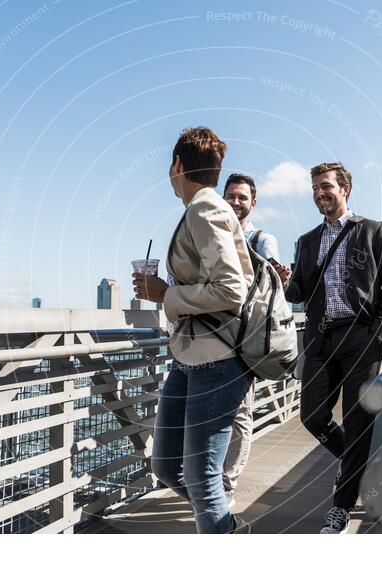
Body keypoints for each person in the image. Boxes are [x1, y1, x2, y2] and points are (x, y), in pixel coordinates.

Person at [132, 127, 254, 534]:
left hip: (217, 361)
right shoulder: (199, 210)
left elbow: (231, 288)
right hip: (189, 359)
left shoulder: (206, 210)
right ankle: (225, 525)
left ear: (178, 166)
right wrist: (168, 296)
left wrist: (167, 294)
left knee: (202, 477)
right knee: (166, 465)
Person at [279, 162, 382, 534]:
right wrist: (285, 279)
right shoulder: (307, 241)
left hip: (360, 338)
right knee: (313, 417)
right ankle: (362, 468)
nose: (320, 193)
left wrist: (378, 334)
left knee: (358, 422)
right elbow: (299, 292)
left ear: (344, 189)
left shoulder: (372, 230)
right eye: (315, 188)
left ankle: (341, 507)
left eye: (326, 186)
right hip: (319, 340)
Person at [221, 173, 290, 507]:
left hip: (246, 337)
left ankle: (226, 484)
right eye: (231, 196)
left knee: (239, 412)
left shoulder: (262, 239)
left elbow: (273, 281)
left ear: (253, 203)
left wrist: (279, 272)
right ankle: (206, 479)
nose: (236, 202)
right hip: (213, 335)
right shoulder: (213, 234)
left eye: (242, 197)